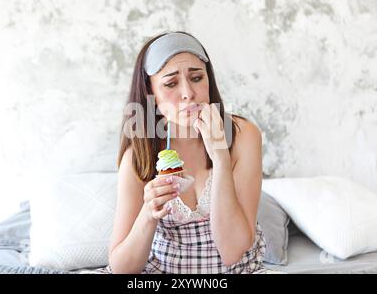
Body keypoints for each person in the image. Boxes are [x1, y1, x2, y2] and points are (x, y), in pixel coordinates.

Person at [105, 31, 266, 274]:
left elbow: (232, 252)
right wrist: (149, 214)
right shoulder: (138, 156)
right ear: (151, 94)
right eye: (170, 83)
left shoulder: (244, 136)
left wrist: (221, 158)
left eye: (197, 78)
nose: (188, 93)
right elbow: (121, 269)